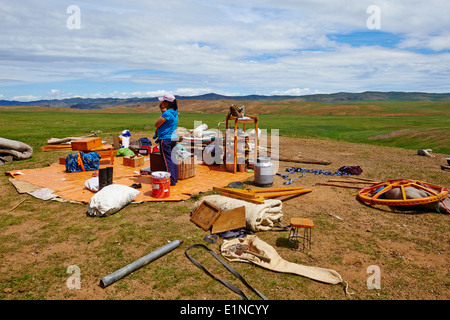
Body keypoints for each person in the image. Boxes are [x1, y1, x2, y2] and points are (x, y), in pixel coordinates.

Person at [155, 93, 179, 186]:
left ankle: (171, 181)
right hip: (173, 138)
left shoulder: (167, 113)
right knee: (173, 159)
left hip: (165, 139)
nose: (162, 103)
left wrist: (163, 112)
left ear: (167, 103)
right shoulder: (175, 111)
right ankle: (175, 178)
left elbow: (157, 124)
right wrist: (162, 110)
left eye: (163, 101)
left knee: (167, 160)